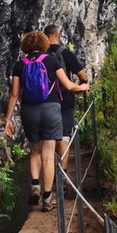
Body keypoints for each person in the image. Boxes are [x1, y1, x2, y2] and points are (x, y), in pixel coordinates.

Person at [4, 30, 90, 212]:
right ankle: (47, 198)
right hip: (51, 109)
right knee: (49, 156)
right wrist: (83, 86)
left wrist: (8, 119)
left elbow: (14, 95)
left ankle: (35, 185)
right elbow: (68, 85)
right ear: (44, 44)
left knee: (34, 150)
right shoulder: (51, 61)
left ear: (26, 46)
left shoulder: (20, 65)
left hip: (29, 110)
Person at [44, 24, 89, 181]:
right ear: (58, 35)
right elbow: (83, 77)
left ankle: (44, 178)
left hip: (44, 101)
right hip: (65, 99)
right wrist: (80, 86)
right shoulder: (65, 54)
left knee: (48, 139)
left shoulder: (40, 55)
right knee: (64, 136)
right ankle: (61, 174)